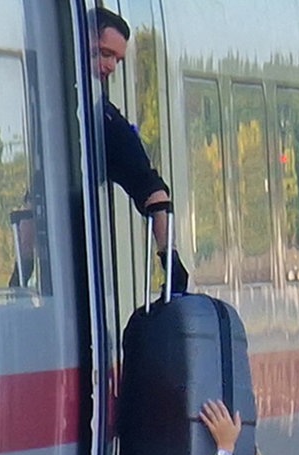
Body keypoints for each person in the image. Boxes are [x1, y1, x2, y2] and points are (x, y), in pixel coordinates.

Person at [90, 8, 184, 292]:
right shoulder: (100, 117)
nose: (110, 67)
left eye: (116, 59)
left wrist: (170, 260)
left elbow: (150, 187)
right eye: (104, 53)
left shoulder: (103, 120)